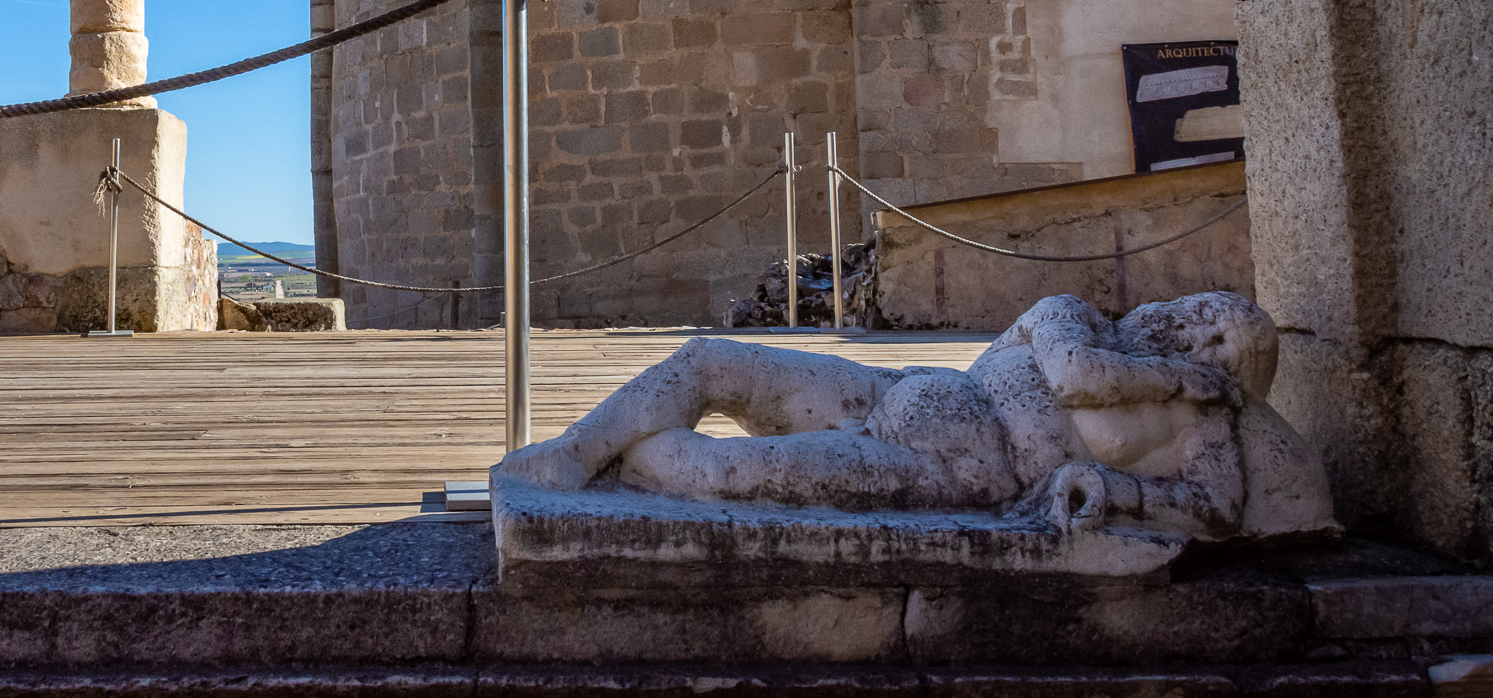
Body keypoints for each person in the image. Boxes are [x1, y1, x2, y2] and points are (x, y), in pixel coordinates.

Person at [499, 291, 1335, 541]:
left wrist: (1112, 487)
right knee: (710, 358)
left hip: (957, 472)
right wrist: (1186, 381)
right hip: (898, 387)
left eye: (1230, 349)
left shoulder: (1206, 425)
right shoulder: (1077, 317)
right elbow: (1079, 378)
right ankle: (576, 454)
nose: (1210, 340)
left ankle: (628, 471)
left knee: (725, 473)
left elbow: (1219, 507)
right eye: (1215, 315)